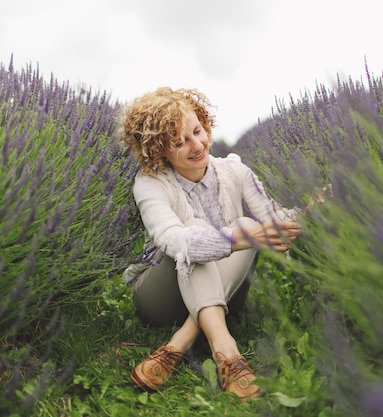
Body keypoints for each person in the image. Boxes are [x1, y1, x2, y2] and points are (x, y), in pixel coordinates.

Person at [119, 87, 302, 401]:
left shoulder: (234, 171)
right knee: (197, 230)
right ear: (158, 151)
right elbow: (173, 240)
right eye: (179, 143)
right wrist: (242, 238)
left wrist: (313, 211)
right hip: (161, 298)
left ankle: (179, 343)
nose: (197, 145)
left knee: (247, 224)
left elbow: (274, 220)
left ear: (204, 123)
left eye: (197, 131)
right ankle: (226, 351)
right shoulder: (150, 183)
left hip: (223, 291)